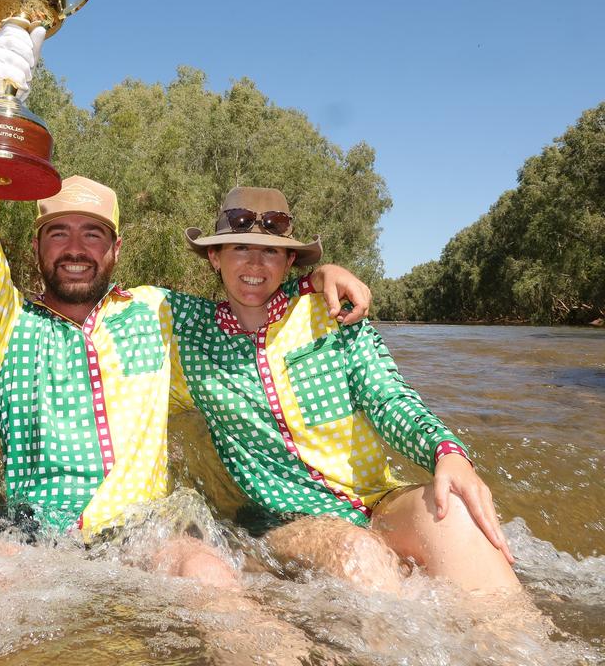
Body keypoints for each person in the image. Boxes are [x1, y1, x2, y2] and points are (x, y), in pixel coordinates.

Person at [169, 186, 519, 593]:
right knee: (357, 552)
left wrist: (447, 453)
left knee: (454, 512)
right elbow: (108, 317)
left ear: (289, 261)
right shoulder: (188, 334)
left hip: (377, 503)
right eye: (240, 248)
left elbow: (386, 398)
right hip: (284, 524)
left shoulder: (335, 315)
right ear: (215, 257)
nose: (255, 263)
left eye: (270, 251)